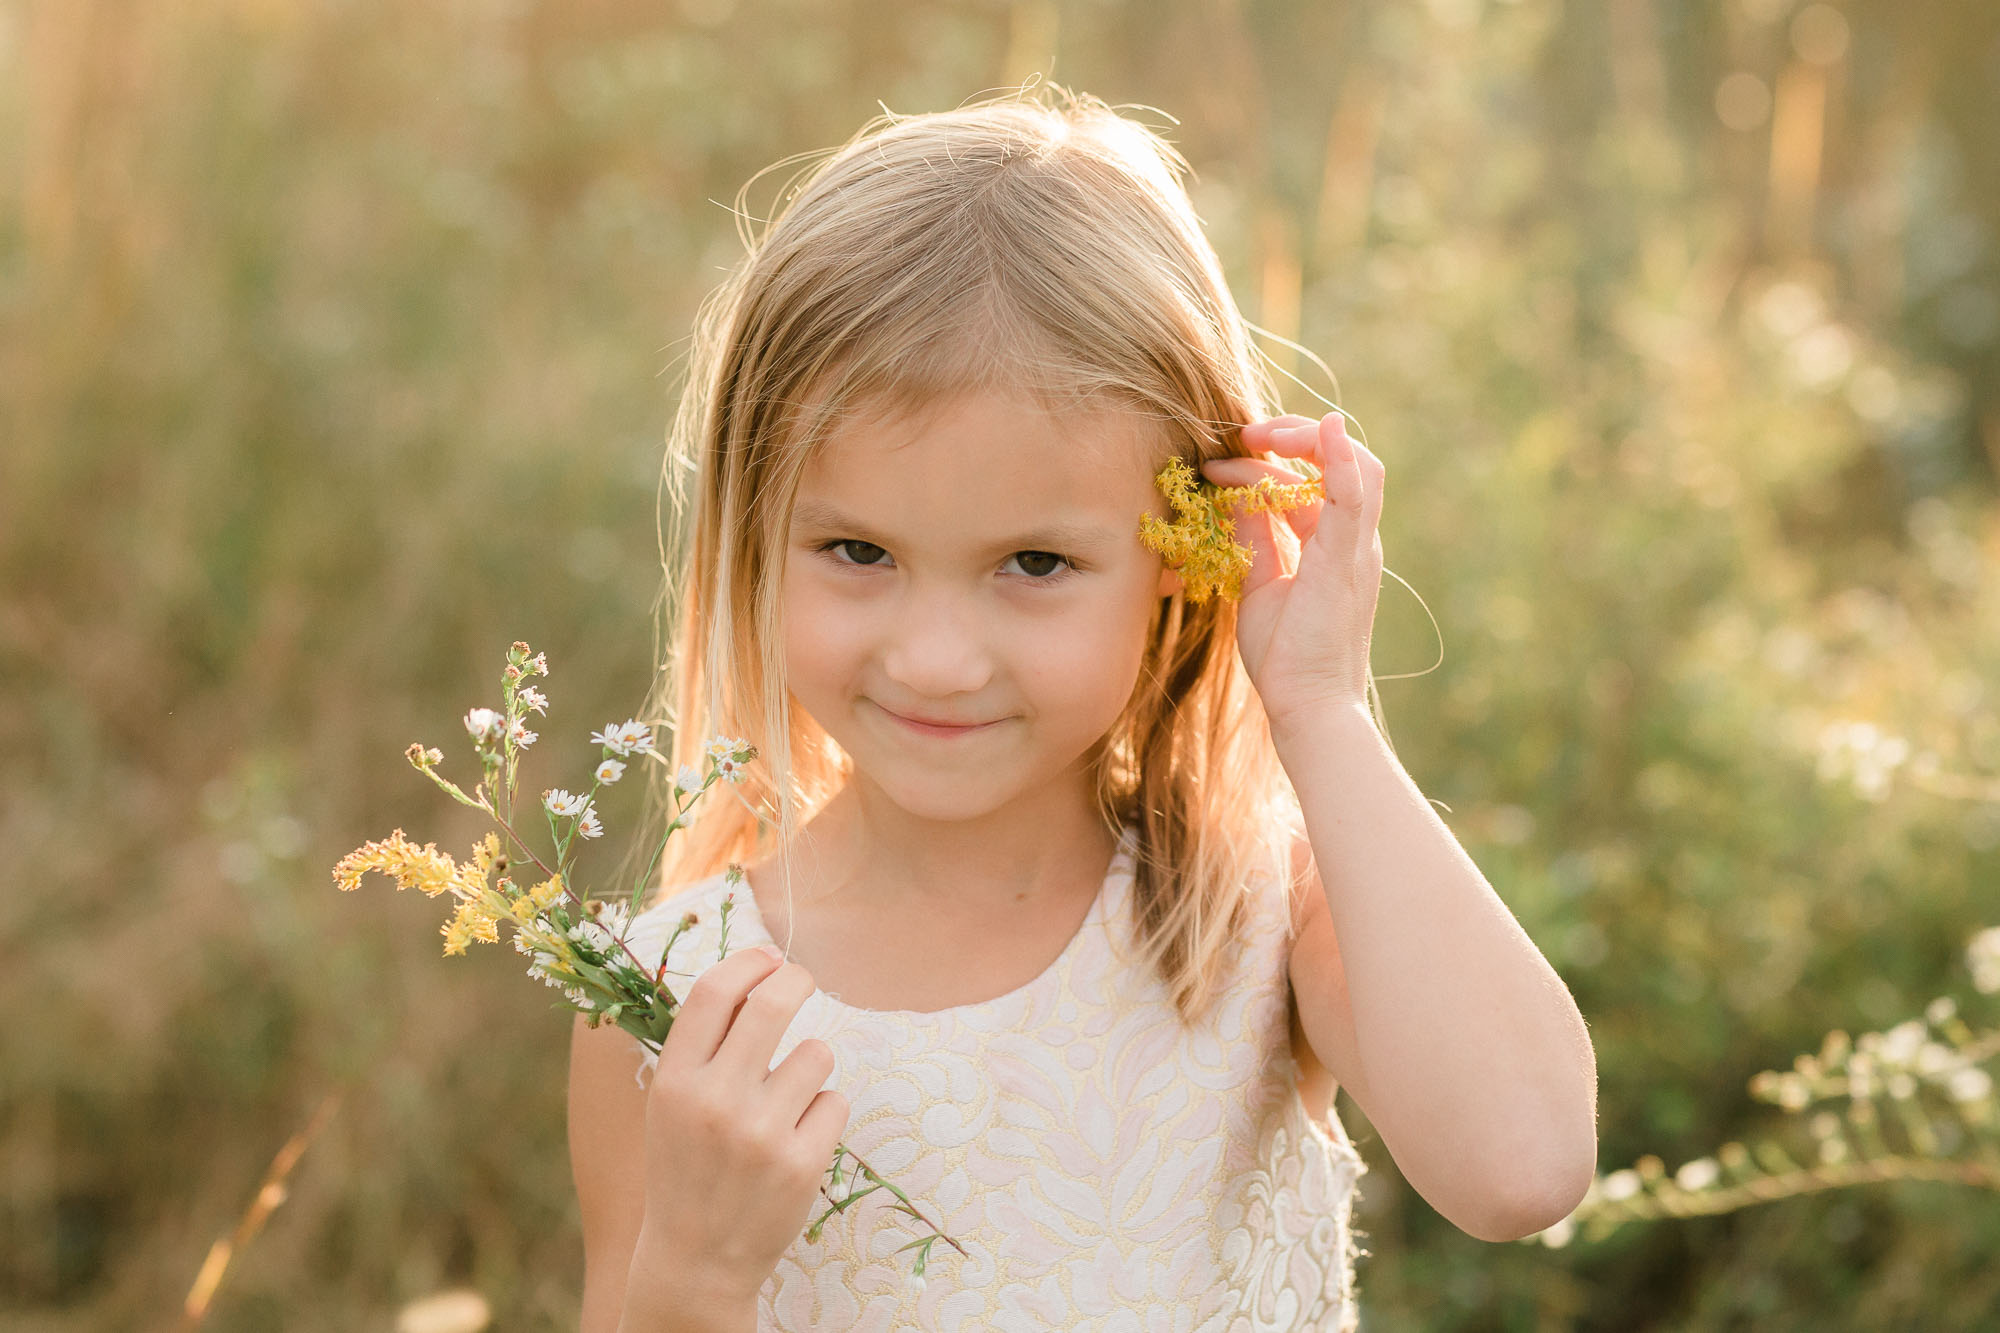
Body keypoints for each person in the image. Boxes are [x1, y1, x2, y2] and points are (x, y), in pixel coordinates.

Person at [568, 84, 1598, 1332]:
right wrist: (691, 1275)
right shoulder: (678, 991)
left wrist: (1319, 704)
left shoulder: (1254, 908)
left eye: (1034, 564)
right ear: (752, 530)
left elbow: (1521, 1169)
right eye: (855, 550)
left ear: (1183, 547)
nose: (937, 658)